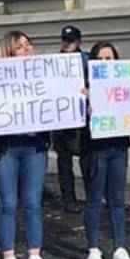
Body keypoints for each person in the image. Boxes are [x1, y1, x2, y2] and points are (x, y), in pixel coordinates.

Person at [0, 31, 54, 259]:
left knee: (32, 203)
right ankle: (8, 257)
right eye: (21, 47)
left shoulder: (44, 75)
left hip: (34, 146)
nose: (28, 50)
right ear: (9, 51)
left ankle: (34, 254)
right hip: (5, 148)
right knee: (7, 203)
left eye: (29, 45)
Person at [82, 41, 130, 259]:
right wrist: (86, 104)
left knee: (118, 200)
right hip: (94, 148)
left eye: (108, 59)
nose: (104, 63)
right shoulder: (84, 86)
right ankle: (93, 248)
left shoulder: (126, 84)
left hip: (119, 146)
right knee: (93, 199)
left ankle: (120, 246)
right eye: (100, 59)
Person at [51, 24, 90, 214]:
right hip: (60, 120)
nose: (68, 44)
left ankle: (92, 196)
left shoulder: (87, 61)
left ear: (78, 41)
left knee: (86, 159)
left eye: (71, 41)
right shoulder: (52, 62)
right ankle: (69, 199)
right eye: (65, 40)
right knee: (64, 161)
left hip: (81, 119)